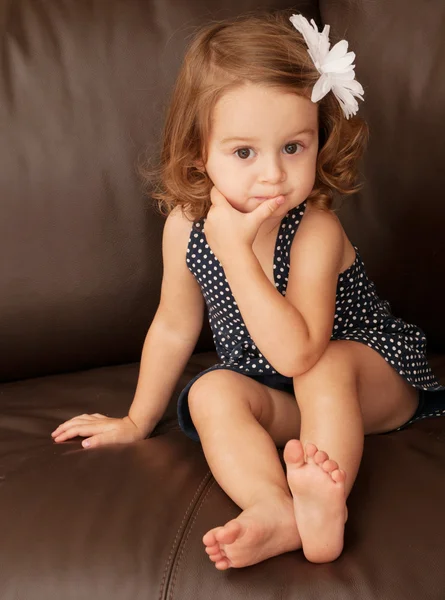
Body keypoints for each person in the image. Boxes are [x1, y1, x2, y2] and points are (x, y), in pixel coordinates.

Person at [51, 10, 445, 568]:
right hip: (282, 396)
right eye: (243, 152)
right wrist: (137, 420)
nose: (273, 176)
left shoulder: (314, 229)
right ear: (199, 155)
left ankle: (326, 507)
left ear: (319, 140)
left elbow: (299, 352)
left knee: (325, 365)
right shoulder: (186, 228)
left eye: (293, 147)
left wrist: (234, 252)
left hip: (367, 381)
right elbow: (173, 324)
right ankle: (274, 507)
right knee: (211, 392)